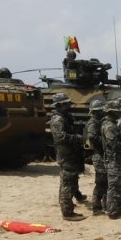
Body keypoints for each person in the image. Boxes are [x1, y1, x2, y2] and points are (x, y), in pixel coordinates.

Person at [46, 93, 86, 221]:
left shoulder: (65, 117)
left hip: (70, 153)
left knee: (68, 180)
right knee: (67, 183)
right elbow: (60, 137)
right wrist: (77, 138)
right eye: (65, 104)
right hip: (66, 154)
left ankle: (66, 205)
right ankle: (68, 212)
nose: (68, 105)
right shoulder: (58, 119)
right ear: (59, 105)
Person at [100, 101, 121, 219]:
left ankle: (119, 209)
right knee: (114, 186)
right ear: (111, 112)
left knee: (119, 185)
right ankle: (112, 211)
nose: (119, 113)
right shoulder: (109, 126)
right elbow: (114, 144)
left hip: (116, 159)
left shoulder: (112, 123)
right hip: (113, 160)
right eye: (117, 111)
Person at [83, 98, 109, 215]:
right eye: (100, 110)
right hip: (98, 155)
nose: (102, 112)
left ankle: (106, 204)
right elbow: (93, 137)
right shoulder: (93, 123)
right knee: (101, 182)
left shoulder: (100, 121)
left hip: (103, 155)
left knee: (106, 181)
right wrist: (105, 141)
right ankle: (96, 207)